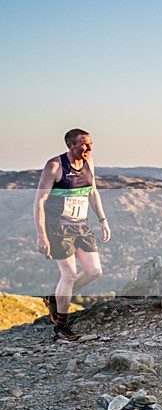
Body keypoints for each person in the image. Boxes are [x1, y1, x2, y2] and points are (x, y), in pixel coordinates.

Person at [34, 129, 111, 340]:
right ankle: (61, 327)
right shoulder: (55, 166)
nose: (89, 148)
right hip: (58, 227)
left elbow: (92, 192)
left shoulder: (89, 162)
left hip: (81, 226)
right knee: (68, 275)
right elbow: (39, 202)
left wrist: (103, 220)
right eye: (84, 144)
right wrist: (42, 235)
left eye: (91, 144)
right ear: (70, 145)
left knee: (94, 271)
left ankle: (55, 299)